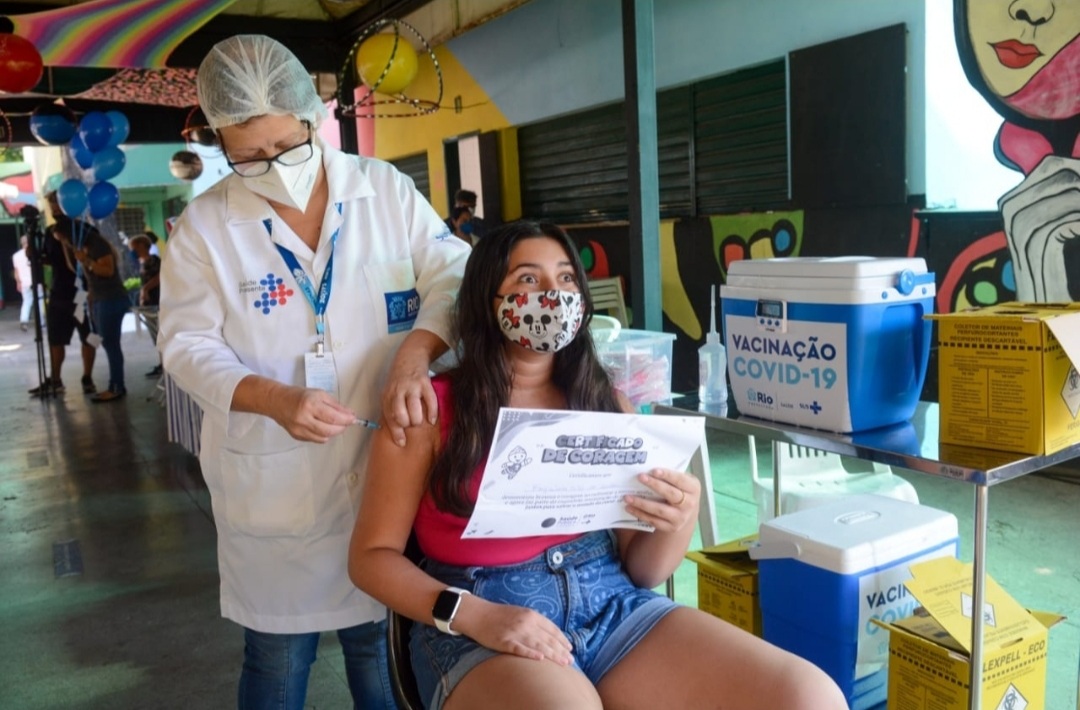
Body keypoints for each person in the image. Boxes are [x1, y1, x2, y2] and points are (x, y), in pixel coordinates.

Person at [347, 220, 847, 710]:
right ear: (487, 298)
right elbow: (370, 557)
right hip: (480, 619)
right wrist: (474, 615)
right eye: (528, 279)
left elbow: (644, 570)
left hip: (612, 606)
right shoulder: (427, 411)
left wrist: (679, 517)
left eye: (566, 279)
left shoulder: (605, 404)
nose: (552, 294)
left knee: (809, 695)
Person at [156, 34, 470, 710]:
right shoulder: (207, 228)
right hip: (275, 485)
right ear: (220, 143)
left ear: (311, 118)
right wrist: (272, 399)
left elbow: (451, 271)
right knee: (276, 655)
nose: (273, 165)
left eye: (287, 146)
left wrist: (416, 351)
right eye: (248, 156)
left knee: (376, 647)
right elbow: (186, 344)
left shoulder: (382, 190)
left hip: (383, 467)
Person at [30, 191, 97, 398]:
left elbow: (89, 259)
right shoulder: (49, 232)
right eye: (51, 205)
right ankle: (55, 379)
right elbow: (48, 259)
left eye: (58, 204)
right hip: (59, 293)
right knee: (55, 338)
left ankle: (88, 377)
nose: (55, 209)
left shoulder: (85, 229)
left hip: (82, 293)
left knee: (89, 336)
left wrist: (66, 242)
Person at [66, 211, 129, 403]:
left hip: (111, 299)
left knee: (111, 344)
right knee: (110, 344)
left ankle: (117, 386)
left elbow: (107, 271)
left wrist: (85, 260)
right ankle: (115, 385)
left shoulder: (97, 246)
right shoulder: (86, 248)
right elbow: (91, 281)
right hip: (102, 300)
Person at [128, 234, 163, 378]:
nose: (133, 250)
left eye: (135, 247)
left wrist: (146, 289)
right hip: (148, 303)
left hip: (157, 301)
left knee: (161, 333)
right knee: (155, 334)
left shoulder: (154, 260)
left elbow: (160, 277)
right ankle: (162, 364)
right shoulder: (142, 263)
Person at [12, 235, 43, 332]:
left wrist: (18, 282)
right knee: (40, 301)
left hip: (24, 283)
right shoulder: (34, 254)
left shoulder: (16, 256)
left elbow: (16, 272)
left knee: (26, 302)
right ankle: (41, 322)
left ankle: (24, 320)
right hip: (36, 281)